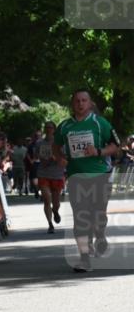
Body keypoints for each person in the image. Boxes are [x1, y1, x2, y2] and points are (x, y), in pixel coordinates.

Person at [54, 89, 119, 272]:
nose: (80, 104)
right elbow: (56, 146)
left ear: (90, 104)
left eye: (84, 100)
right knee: (80, 218)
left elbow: (115, 145)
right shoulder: (65, 126)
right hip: (76, 177)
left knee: (98, 216)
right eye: (77, 101)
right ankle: (84, 259)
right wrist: (59, 158)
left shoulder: (100, 123)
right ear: (72, 104)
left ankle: (100, 236)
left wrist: (98, 151)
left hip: (100, 176)